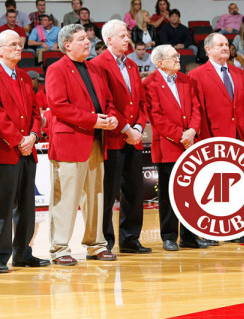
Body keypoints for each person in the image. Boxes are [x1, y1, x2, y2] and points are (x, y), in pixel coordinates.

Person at [45, 24, 118, 265]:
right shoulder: (56, 69)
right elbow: (58, 105)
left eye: (87, 38)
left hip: (96, 140)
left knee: (96, 196)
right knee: (65, 198)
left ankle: (96, 245)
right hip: (70, 141)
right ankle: (59, 248)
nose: (87, 42)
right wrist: (94, 120)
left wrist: (110, 116)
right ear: (67, 45)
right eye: (81, 39)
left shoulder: (94, 69)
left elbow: (106, 100)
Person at [0, 30, 50, 272]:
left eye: (20, 44)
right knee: (3, 205)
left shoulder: (25, 77)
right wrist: (19, 140)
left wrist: (33, 136)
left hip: (27, 149)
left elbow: (34, 112)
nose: (19, 48)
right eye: (13, 45)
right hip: (5, 151)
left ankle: (23, 253)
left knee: (27, 205)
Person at [92, 19, 151, 254]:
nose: (128, 39)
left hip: (133, 138)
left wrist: (138, 127)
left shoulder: (133, 66)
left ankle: (130, 239)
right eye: (123, 36)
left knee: (135, 191)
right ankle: (104, 242)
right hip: (113, 138)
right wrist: (127, 129)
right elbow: (104, 103)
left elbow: (141, 103)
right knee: (107, 193)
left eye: (127, 36)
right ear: (108, 40)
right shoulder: (98, 64)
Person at [189, 33, 244, 245]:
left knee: (234, 184)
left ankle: (234, 229)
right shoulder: (197, 74)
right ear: (208, 49)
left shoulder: (236, 71)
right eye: (221, 45)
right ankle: (209, 230)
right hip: (211, 137)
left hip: (237, 136)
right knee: (211, 186)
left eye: (227, 44)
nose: (226, 47)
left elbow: (243, 104)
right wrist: (202, 138)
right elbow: (196, 109)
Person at [144, 44, 208, 251]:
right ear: (160, 63)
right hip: (168, 146)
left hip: (190, 144)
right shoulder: (149, 84)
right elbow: (156, 117)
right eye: (173, 56)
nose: (178, 58)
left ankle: (190, 236)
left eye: (178, 55)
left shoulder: (186, 80)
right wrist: (180, 136)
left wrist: (192, 131)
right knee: (169, 194)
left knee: (190, 193)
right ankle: (169, 236)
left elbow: (197, 108)